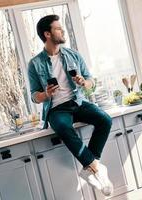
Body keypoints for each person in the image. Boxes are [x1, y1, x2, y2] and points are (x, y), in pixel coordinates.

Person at [28, 14, 113, 196]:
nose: (62, 30)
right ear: (47, 34)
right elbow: (34, 96)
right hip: (56, 108)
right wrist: (46, 94)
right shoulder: (34, 64)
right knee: (64, 128)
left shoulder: (73, 54)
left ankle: (89, 166)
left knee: (105, 120)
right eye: (58, 28)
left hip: (78, 101)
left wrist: (84, 82)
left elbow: (91, 81)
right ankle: (97, 169)